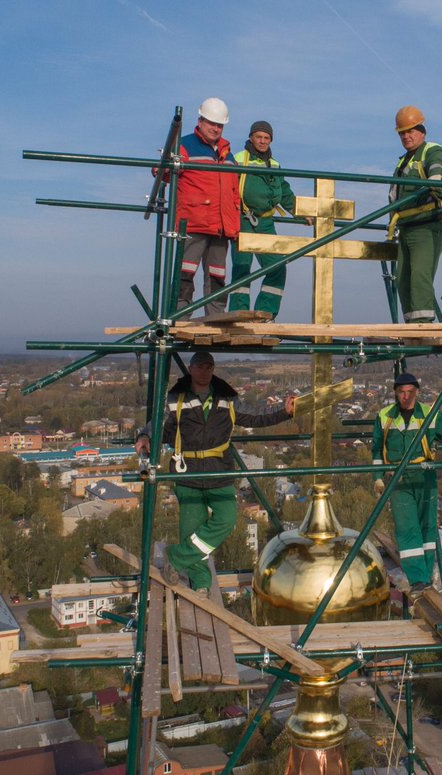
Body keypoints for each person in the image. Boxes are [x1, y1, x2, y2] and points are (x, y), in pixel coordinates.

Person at [135, 351, 296, 591]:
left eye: (209, 367)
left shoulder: (227, 398)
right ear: (191, 369)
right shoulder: (176, 398)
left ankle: (177, 557)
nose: (205, 371)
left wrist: (284, 412)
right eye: (200, 366)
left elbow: (255, 418)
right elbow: (159, 423)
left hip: (218, 469)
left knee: (227, 519)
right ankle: (200, 583)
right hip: (187, 470)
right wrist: (145, 436)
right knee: (191, 529)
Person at [370, 372, 442, 595]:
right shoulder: (384, 417)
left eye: (410, 392)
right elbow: (376, 449)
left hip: (424, 475)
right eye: (401, 392)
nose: (406, 396)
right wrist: (378, 477)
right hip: (399, 478)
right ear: (396, 393)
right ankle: (418, 579)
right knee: (406, 527)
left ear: (417, 392)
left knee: (427, 525)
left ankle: (427, 573)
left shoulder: (429, 414)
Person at [165, 97, 242, 315]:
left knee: (217, 275)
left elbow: (234, 192)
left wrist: (234, 224)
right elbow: (162, 173)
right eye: (211, 123)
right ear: (200, 121)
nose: (215, 128)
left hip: (220, 226)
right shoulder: (185, 145)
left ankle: (215, 318)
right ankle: (179, 316)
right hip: (193, 223)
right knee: (185, 271)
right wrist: (170, 162)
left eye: (220, 125)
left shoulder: (228, 155)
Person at [228, 120, 300, 318]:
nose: (262, 141)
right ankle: (239, 313)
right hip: (243, 218)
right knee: (242, 266)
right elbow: (227, 188)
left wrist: (301, 212)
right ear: (251, 137)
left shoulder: (275, 164)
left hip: (266, 222)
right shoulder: (238, 159)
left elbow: (284, 191)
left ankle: (265, 313)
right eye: (258, 137)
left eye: (266, 138)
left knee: (277, 266)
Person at [388, 106, 442, 323]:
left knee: (419, 277)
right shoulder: (403, 160)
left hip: (426, 225)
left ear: (422, 131)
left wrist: (435, 178)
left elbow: (437, 168)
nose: (406, 136)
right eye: (402, 133)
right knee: (403, 280)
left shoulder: (432, 151)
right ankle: (412, 325)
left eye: (411, 131)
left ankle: (422, 326)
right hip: (406, 226)